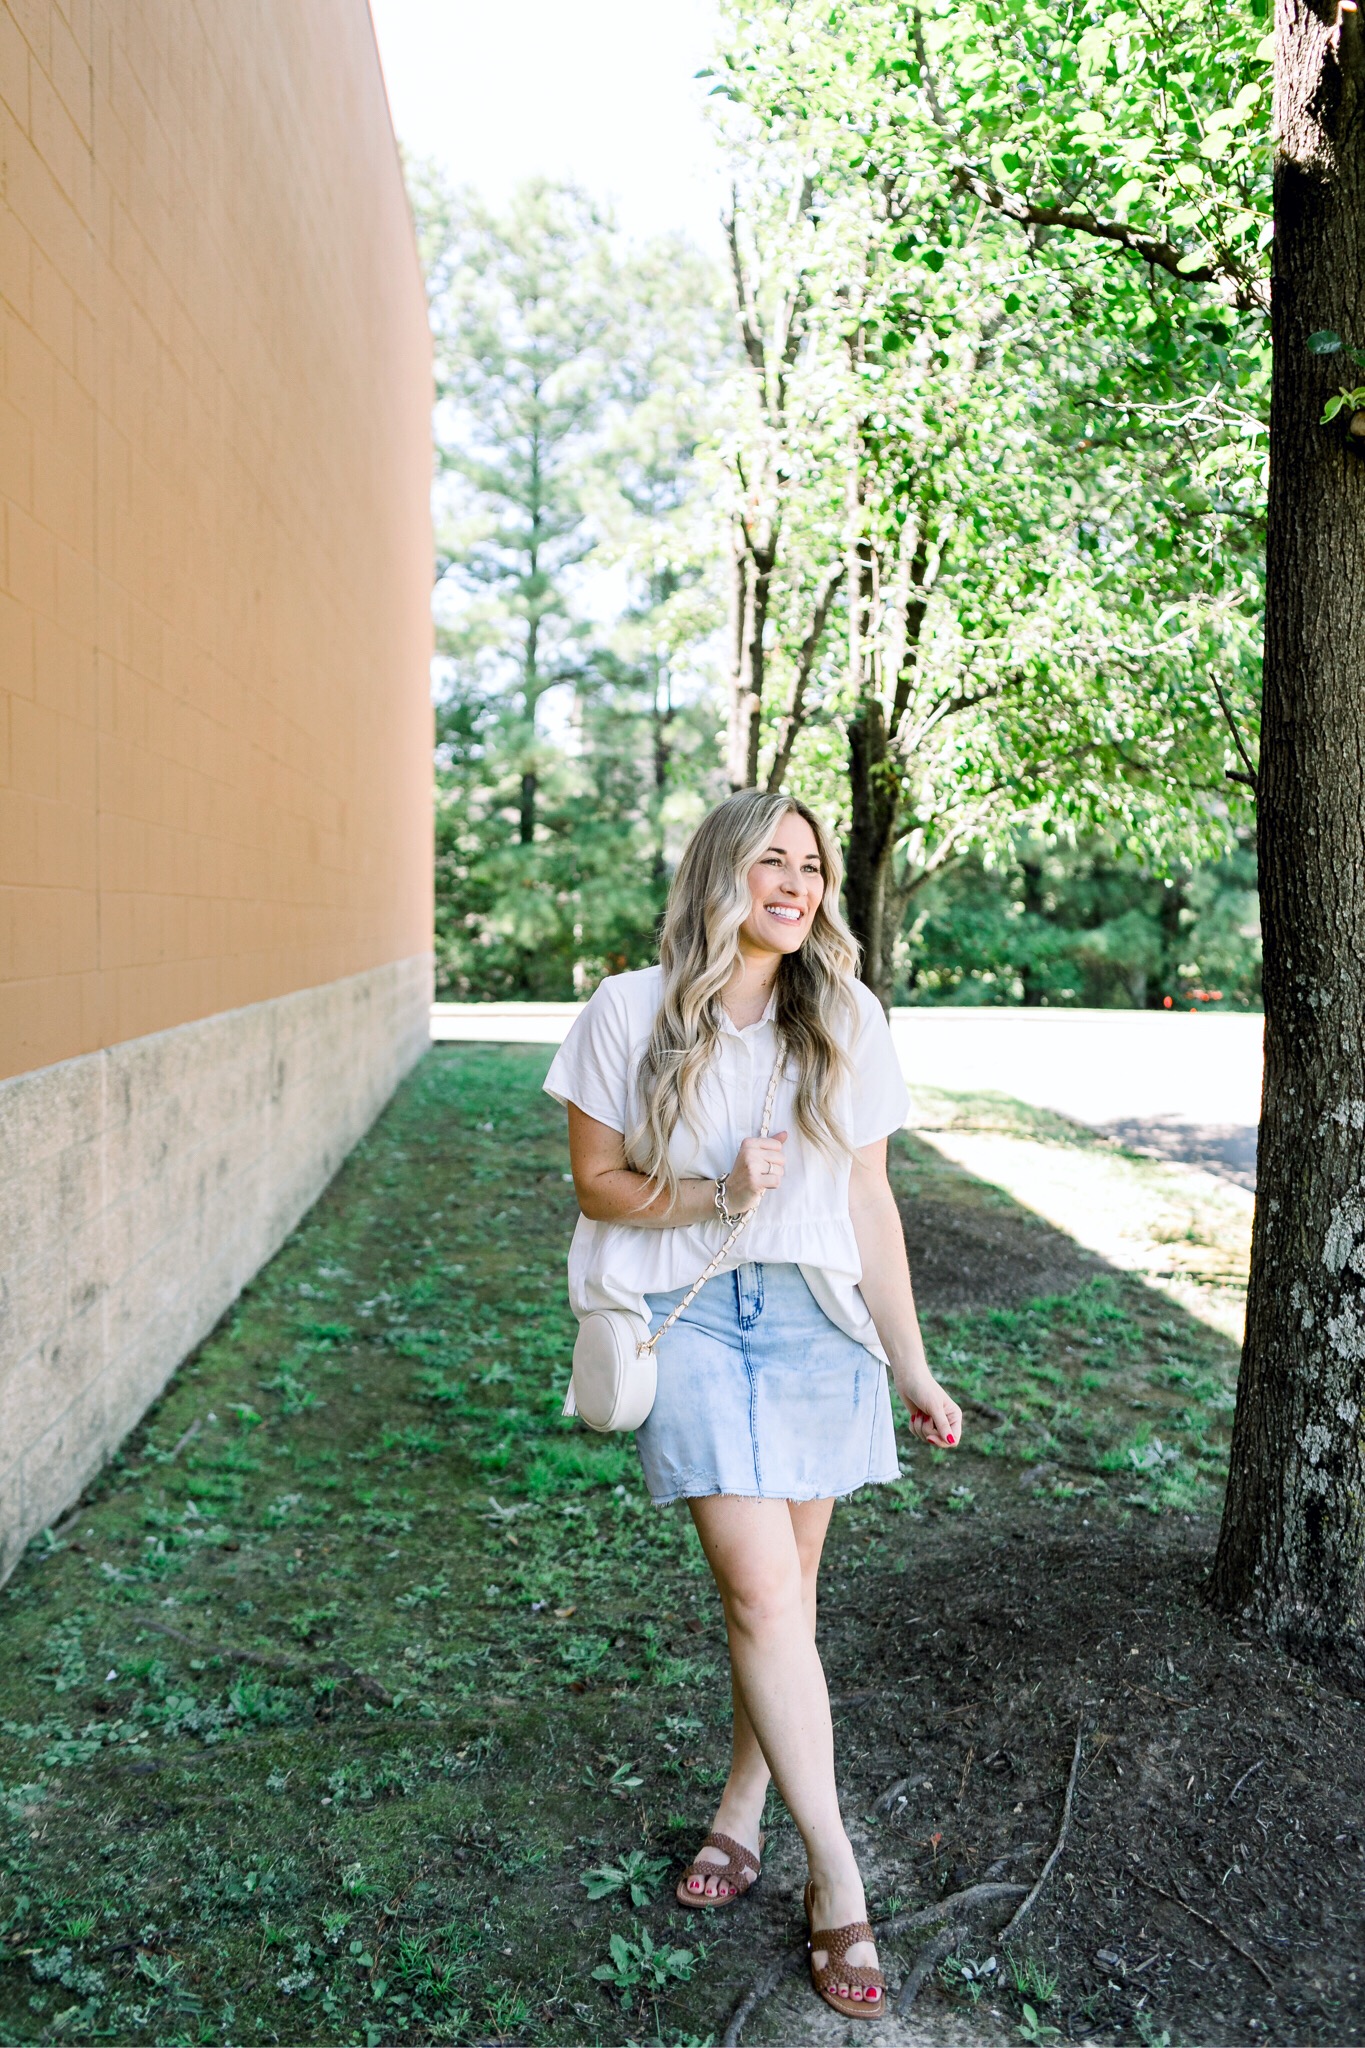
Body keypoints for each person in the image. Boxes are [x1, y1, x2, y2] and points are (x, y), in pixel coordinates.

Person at [544, 789, 962, 2021]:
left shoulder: (843, 1011)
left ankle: (742, 1809)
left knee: (783, 1601)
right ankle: (838, 1879)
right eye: (772, 859)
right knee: (763, 1592)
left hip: (818, 1325)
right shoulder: (628, 1009)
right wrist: (713, 1193)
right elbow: (598, 1184)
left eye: (813, 866)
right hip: (691, 1318)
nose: (797, 881)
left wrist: (912, 1360)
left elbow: (870, 1204)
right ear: (720, 870)